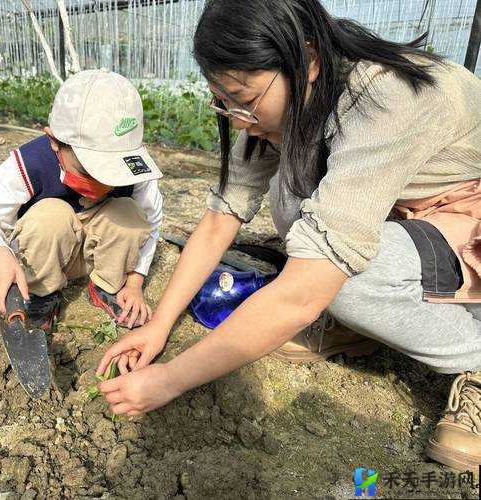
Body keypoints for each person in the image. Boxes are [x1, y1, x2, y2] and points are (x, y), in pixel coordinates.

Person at [95, 0, 481, 472]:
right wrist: (158, 328)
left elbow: (300, 295)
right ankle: (363, 325)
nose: (237, 118)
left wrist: (172, 379)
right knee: (293, 202)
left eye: (245, 97)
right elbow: (221, 218)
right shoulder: (294, 96)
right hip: (413, 213)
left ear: (309, 60)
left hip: (467, 212)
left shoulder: (386, 98)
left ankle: (474, 357)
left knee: (348, 280)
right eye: (223, 100)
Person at [0, 69, 164, 330]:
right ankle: (43, 293)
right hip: (47, 255)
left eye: (112, 173)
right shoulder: (29, 163)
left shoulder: (137, 169)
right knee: (50, 216)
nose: (102, 184)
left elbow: (153, 222)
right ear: (55, 141)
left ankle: (106, 286)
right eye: (88, 171)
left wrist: (134, 283)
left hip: (99, 255)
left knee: (130, 215)